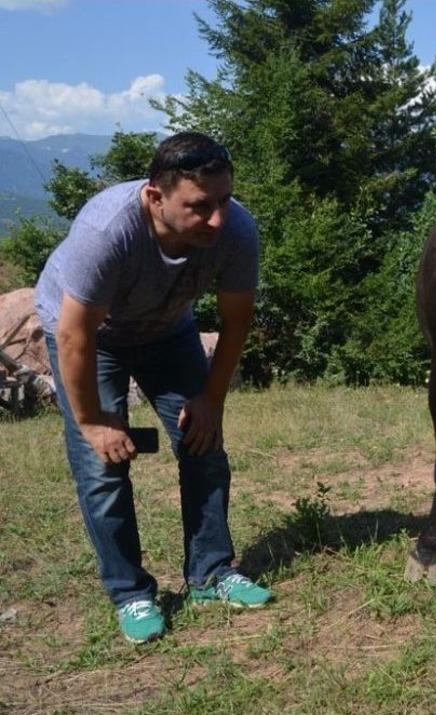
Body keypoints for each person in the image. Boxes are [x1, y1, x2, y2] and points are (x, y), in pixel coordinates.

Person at [34, 131, 270, 644]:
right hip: (90, 337)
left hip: (168, 330)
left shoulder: (237, 232)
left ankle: (211, 574)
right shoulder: (108, 230)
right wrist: (94, 423)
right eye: (199, 206)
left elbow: (236, 323)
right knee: (102, 465)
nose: (217, 219)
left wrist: (210, 400)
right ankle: (131, 593)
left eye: (224, 201)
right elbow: (75, 333)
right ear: (154, 197)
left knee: (203, 444)